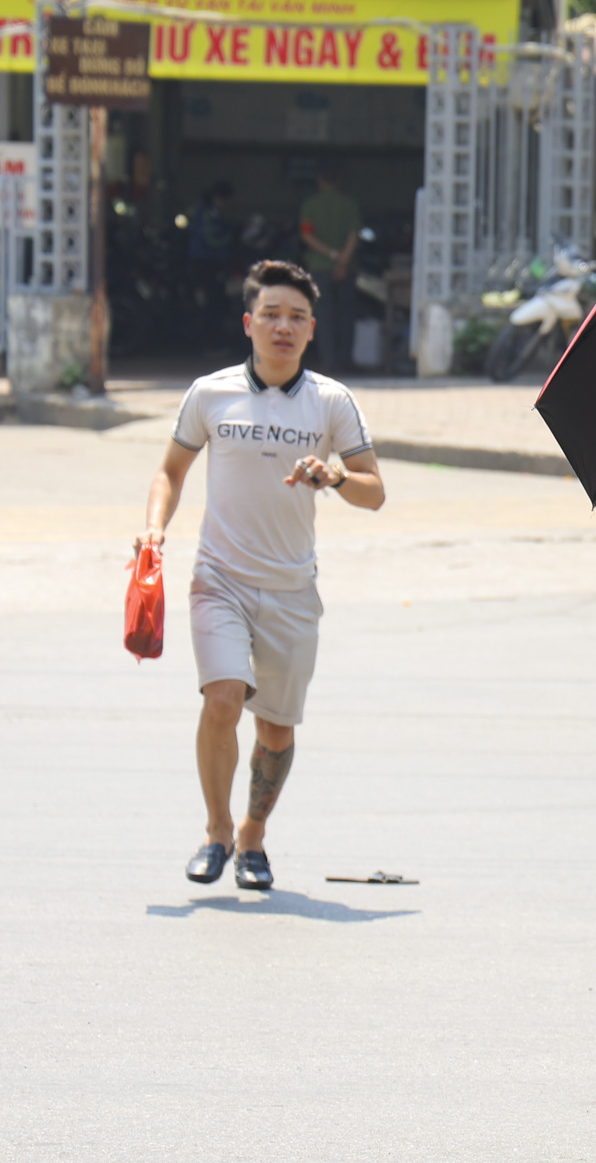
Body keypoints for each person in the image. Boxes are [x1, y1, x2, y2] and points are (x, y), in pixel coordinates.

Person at [139, 260, 386, 892]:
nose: (283, 325)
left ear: (311, 330)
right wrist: (153, 529)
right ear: (249, 323)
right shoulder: (211, 393)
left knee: (275, 728)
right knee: (222, 700)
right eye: (271, 314)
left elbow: (374, 491)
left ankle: (253, 836)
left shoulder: (331, 402)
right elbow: (169, 472)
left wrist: (331, 476)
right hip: (218, 578)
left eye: (296, 317)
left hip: (292, 590)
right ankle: (216, 831)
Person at [298, 164, 362, 375]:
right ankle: (346, 361)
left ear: (319, 180)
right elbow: (354, 234)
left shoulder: (311, 205)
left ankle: (328, 363)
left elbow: (307, 236)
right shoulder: (350, 205)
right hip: (347, 267)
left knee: (323, 315)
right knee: (346, 314)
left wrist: (332, 255)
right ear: (340, 180)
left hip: (319, 267)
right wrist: (343, 260)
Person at [186, 181, 238, 348]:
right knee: (211, 302)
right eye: (225, 200)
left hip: (209, 261)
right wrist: (232, 237)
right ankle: (208, 343)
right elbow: (212, 239)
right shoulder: (208, 213)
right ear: (217, 198)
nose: (227, 205)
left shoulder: (211, 212)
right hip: (206, 263)